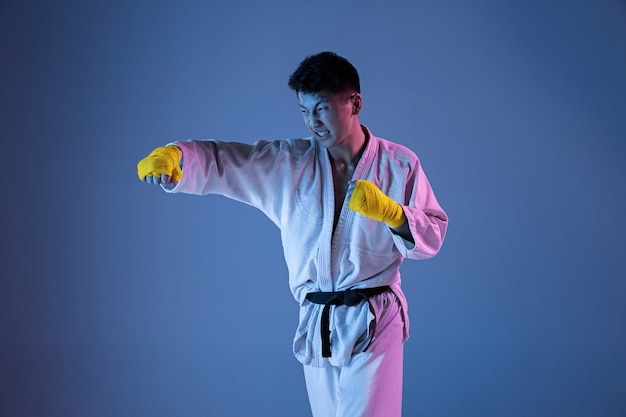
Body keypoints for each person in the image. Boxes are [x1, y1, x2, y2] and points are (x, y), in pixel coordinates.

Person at [137, 51, 448, 417]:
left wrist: (392, 213)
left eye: (321, 109)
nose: (312, 122)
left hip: (375, 316)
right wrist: (177, 156)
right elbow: (227, 160)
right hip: (317, 317)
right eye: (304, 111)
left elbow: (432, 235)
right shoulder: (291, 164)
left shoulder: (399, 164)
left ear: (355, 103)